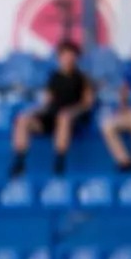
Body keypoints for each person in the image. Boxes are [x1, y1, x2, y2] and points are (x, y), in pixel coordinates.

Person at [9, 40, 94, 177]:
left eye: (71, 55)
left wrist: (72, 112)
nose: (68, 59)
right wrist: (32, 112)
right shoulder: (53, 77)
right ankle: (19, 161)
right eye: (64, 55)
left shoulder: (83, 78)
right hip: (51, 116)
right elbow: (47, 102)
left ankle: (59, 161)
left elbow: (87, 103)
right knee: (23, 119)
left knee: (63, 117)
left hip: (73, 119)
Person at [99, 65, 131, 172]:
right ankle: (124, 160)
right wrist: (123, 106)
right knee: (107, 125)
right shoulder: (130, 69)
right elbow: (125, 89)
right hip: (130, 112)